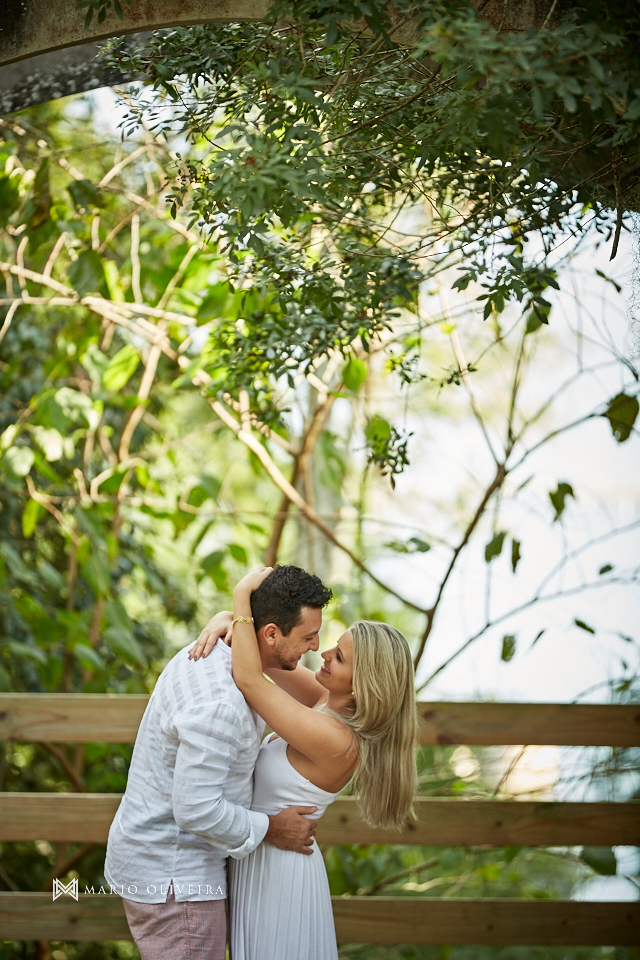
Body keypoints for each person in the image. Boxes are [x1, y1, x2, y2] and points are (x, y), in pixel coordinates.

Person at [104, 564, 333, 960]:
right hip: (177, 880)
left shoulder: (228, 655)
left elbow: (314, 695)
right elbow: (195, 809)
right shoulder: (220, 703)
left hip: (167, 865)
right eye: (309, 637)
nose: (316, 647)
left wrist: (233, 613)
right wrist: (272, 829)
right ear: (271, 633)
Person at [189, 566, 418, 960]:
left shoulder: (337, 740)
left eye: (339, 657)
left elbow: (249, 678)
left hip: (279, 875)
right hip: (263, 852)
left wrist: (242, 595)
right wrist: (227, 620)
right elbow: (267, 653)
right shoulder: (325, 700)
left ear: (363, 684)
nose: (322, 653)